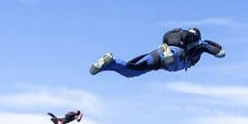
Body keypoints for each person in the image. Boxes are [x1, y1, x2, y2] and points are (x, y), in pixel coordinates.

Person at [92, 26, 225, 77]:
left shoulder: (176, 36)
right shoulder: (199, 46)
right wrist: (216, 49)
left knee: (131, 71)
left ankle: (110, 61)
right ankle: (168, 55)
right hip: (175, 57)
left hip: (159, 52)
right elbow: (218, 52)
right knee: (173, 66)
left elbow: (135, 62)